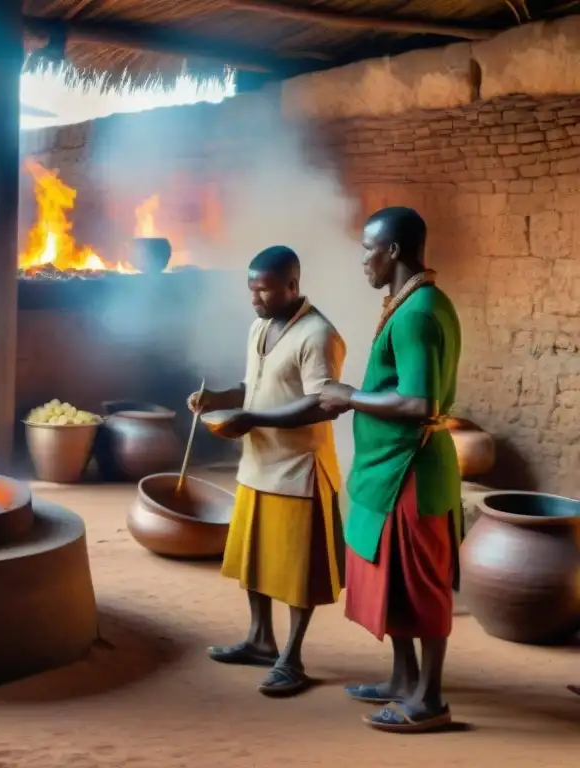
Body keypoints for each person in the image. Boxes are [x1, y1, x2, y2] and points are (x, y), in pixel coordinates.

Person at [319, 206, 462, 734]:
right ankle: (404, 679)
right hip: (391, 469)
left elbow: (420, 403)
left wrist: (350, 397)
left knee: (421, 586)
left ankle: (430, 699)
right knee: (395, 579)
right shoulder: (411, 304)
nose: (363, 260)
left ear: (394, 251)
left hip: (412, 473)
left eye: (367, 249)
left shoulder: (418, 312)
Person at [189, 245, 346, 697]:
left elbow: (323, 403)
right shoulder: (261, 326)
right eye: (250, 289)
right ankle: (260, 640)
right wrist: (219, 399)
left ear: (292, 286)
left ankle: (291, 658)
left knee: (298, 573)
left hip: (299, 471)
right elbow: (254, 387)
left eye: (264, 289)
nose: (254, 298)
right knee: (254, 561)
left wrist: (253, 419)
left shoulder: (318, 335)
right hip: (257, 466)